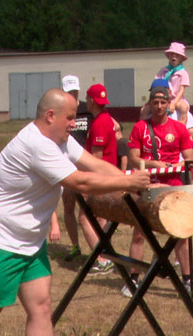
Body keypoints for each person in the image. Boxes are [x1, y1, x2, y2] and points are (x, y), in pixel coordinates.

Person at [0, 88, 149, 336]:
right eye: (71, 118)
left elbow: (92, 163)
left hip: (30, 244)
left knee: (42, 308)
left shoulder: (60, 140)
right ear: (51, 116)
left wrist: (132, 183)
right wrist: (128, 184)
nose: (75, 124)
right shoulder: (36, 143)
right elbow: (81, 182)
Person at [124, 83, 193, 298]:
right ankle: (133, 280)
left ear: (168, 104)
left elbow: (190, 159)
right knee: (139, 233)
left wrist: (176, 168)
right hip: (146, 185)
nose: (158, 106)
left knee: (181, 234)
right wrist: (154, 164)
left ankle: (187, 281)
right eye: (155, 103)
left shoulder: (179, 128)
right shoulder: (140, 128)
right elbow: (133, 158)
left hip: (173, 188)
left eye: (163, 102)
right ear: (150, 104)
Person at [79, 83, 118, 274]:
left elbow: (96, 157)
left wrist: (88, 185)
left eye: (87, 99)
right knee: (101, 219)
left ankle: (102, 259)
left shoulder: (99, 123)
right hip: (108, 177)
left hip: (100, 178)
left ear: (92, 101)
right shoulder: (105, 119)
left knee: (85, 218)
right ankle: (105, 255)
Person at [59, 74, 93, 262]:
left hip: (85, 163)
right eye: (68, 91)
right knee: (68, 205)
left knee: (88, 209)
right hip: (66, 164)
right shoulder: (60, 112)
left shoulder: (88, 111)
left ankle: (97, 248)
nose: (72, 94)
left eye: (74, 91)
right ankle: (75, 246)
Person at [153, 42, 190, 126]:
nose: (174, 57)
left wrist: (174, 103)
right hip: (162, 97)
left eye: (177, 55)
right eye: (172, 54)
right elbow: (156, 84)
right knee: (145, 109)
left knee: (184, 108)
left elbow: (181, 90)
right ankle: (143, 128)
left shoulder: (183, 73)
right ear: (168, 56)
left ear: (181, 58)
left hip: (177, 99)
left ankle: (181, 129)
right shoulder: (163, 71)